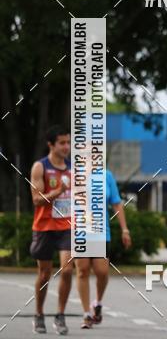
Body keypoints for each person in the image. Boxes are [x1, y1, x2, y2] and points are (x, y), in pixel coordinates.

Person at [29, 125, 73, 335]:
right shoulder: (40, 167)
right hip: (45, 226)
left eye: (68, 142)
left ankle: (60, 315)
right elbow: (37, 200)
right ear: (51, 145)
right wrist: (59, 191)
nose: (67, 147)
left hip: (67, 226)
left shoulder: (74, 168)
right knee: (45, 274)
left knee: (67, 270)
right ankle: (39, 314)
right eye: (62, 143)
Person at [75, 168, 132, 329]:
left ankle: (97, 302)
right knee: (82, 271)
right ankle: (86, 314)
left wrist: (124, 229)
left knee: (102, 272)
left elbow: (116, 203)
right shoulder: (74, 173)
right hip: (80, 231)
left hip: (100, 232)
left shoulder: (106, 175)